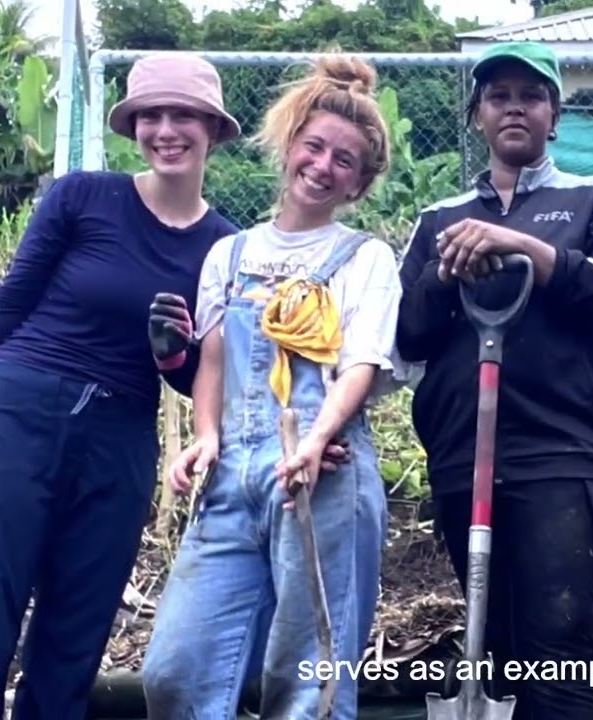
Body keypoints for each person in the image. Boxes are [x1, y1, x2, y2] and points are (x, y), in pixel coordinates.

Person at [0, 53, 247, 720]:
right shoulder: (82, 196)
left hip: (119, 436)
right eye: (150, 115)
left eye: (183, 115)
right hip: (17, 409)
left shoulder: (227, 247)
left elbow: (199, 378)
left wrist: (172, 354)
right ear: (133, 127)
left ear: (213, 129)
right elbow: (11, 301)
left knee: (73, 640)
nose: (165, 130)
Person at [395, 41, 593, 720]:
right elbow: (406, 334)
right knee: (496, 646)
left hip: (563, 458)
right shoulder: (439, 221)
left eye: (531, 96)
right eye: (499, 96)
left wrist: (528, 250)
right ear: (478, 115)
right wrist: (445, 274)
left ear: (554, 116)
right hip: (465, 459)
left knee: (559, 650)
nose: (515, 108)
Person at [136, 53, 400, 718]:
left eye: (344, 160)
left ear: (359, 183)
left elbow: (362, 365)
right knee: (176, 672)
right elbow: (214, 357)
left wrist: (315, 439)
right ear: (288, 145)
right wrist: (205, 436)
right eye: (314, 146)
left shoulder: (365, 258)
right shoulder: (230, 254)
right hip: (232, 479)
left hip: (324, 477)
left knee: (309, 684)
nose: (323, 166)